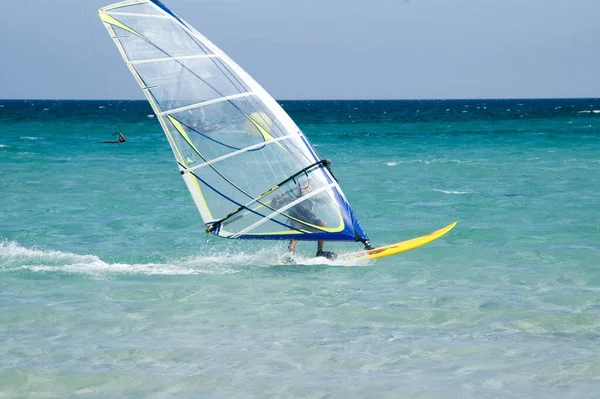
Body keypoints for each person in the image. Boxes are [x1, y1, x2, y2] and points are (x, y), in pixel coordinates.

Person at [271, 178, 337, 260]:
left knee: (322, 223)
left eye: (310, 187)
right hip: (297, 223)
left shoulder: (312, 200)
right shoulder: (291, 200)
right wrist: (275, 199)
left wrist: (332, 192)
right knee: (295, 236)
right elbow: (274, 207)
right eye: (307, 187)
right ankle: (290, 255)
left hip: (310, 223)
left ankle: (319, 252)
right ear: (300, 189)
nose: (309, 189)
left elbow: (326, 200)